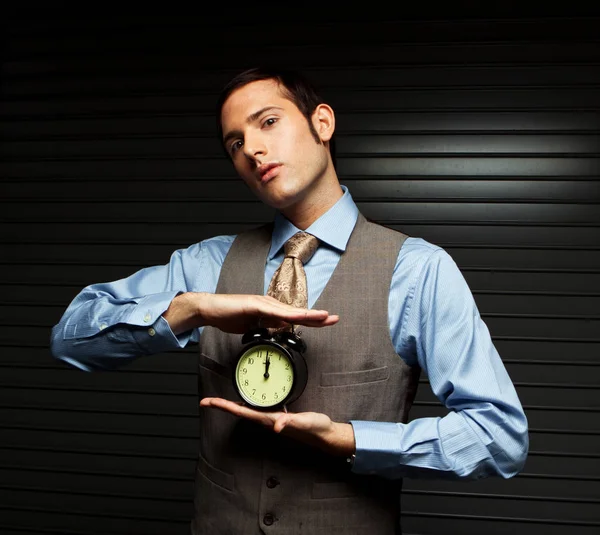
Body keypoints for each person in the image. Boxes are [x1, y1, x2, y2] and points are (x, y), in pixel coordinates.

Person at [50, 66, 529, 534]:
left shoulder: (418, 270)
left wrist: (349, 439)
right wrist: (191, 309)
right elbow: (70, 339)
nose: (253, 149)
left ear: (322, 123)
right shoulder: (206, 264)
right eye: (235, 143)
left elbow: (500, 439)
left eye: (269, 122)